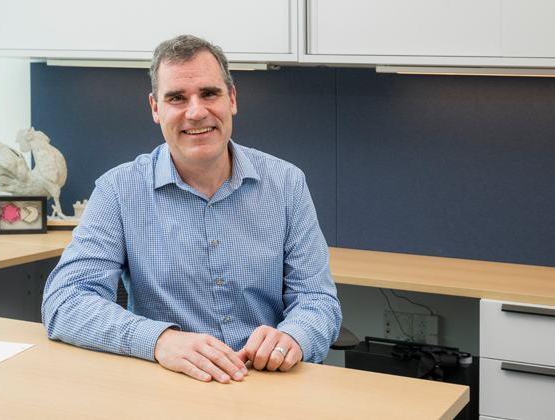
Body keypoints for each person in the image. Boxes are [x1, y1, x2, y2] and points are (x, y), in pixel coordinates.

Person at [42, 35, 342, 384]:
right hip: (168, 384)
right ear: (156, 108)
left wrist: (293, 337)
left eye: (209, 93)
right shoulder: (118, 191)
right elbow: (65, 301)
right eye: (177, 98)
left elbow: (318, 301)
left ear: (231, 99)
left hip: (266, 382)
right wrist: (159, 340)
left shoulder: (286, 183)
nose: (196, 111)